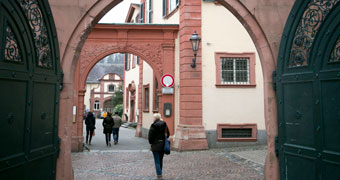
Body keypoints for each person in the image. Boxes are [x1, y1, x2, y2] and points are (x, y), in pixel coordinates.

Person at [148, 113, 170, 180]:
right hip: (163, 145)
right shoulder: (164, 124)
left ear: (155, 118)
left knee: (157, 161)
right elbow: (168, 134)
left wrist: (151, 142)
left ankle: (159, 176)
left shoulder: (153, 125)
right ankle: (160, 173)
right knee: (160, 160)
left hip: (155, 145)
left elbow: (150, 137)